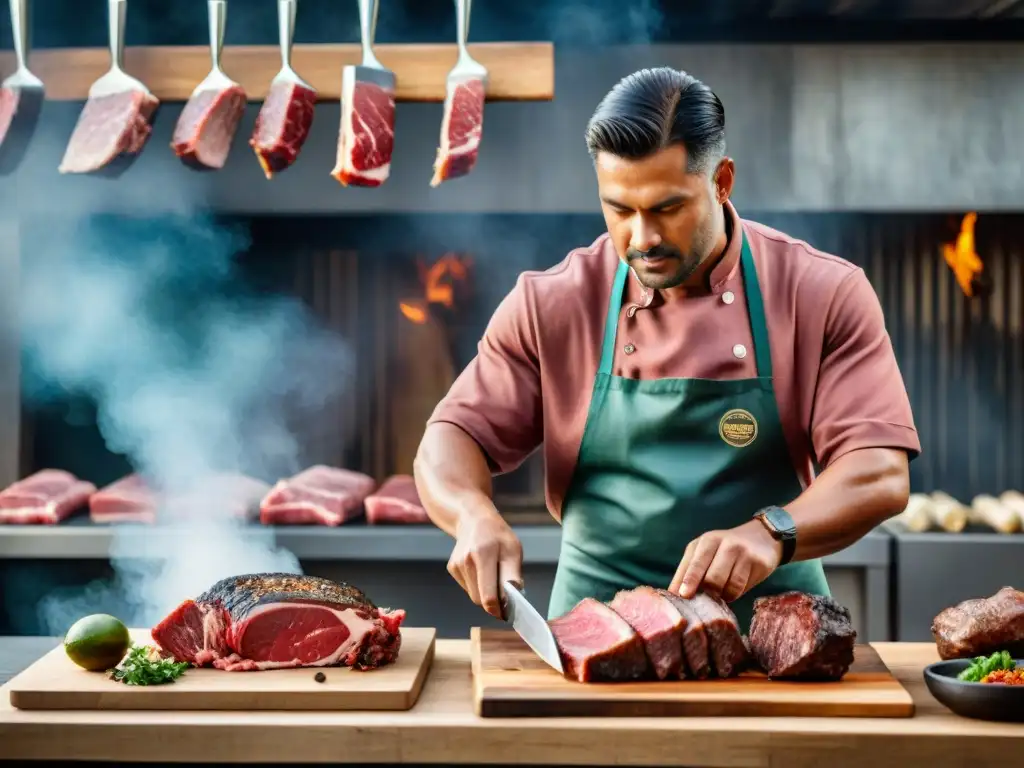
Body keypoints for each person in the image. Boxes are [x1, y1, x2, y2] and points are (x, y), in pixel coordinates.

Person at [413, 67, 920, 630]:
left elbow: (878, 470)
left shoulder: (822, 291)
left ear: (722, 180)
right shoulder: (552, 301)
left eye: (667, 208)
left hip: (771, 633)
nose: (642, 238)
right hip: (594, 628)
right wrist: (473, 516)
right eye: (620, 210)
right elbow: (452, 436)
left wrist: (772, 532)